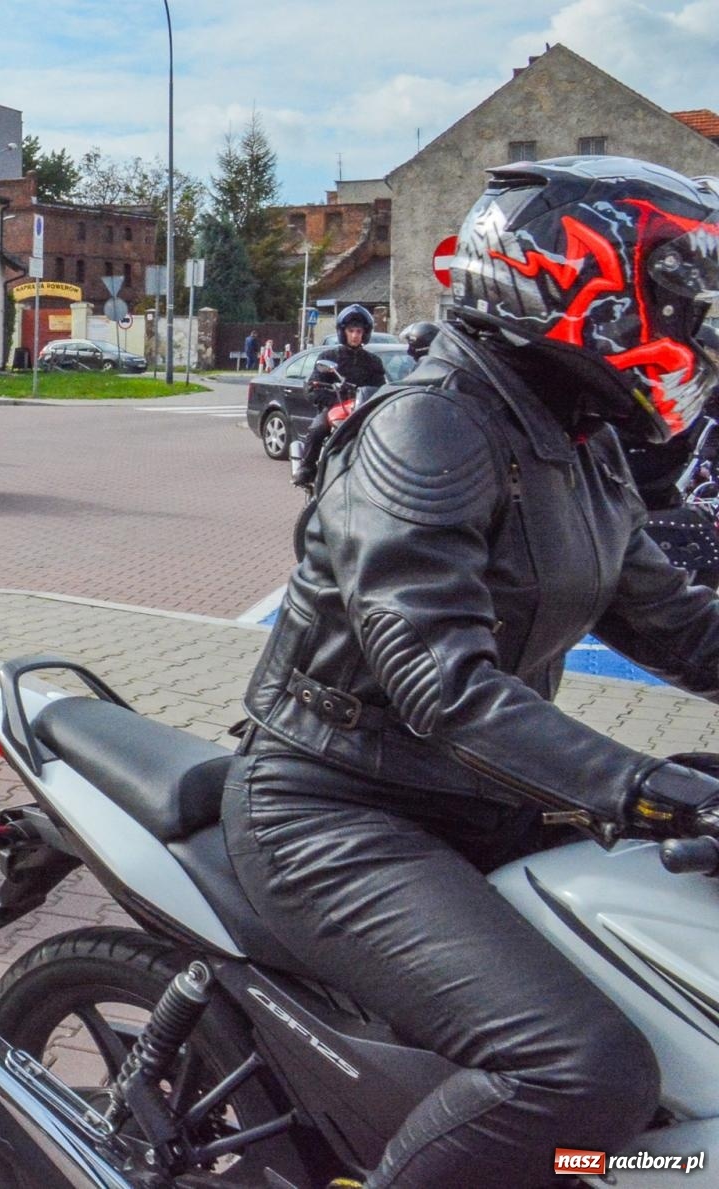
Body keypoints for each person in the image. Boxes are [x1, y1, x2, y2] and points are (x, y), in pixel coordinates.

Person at [229, 157, 719, 1188]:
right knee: (580, 1071)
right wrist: (637, 786)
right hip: (339, 810)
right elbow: (436, 678)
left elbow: (676, 624)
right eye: (674, 295)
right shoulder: (429, 427)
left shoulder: (574, 438)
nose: (693, 326)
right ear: (575, 280)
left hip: (483, 798)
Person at [290, 304, 389, 487]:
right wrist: (335, 397)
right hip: (336, 409)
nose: (355, 335)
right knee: (317, 429)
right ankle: (307, 468)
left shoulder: (373, 361)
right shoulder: (329, 356)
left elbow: (381, 389)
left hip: (363, 409)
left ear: (364, 333)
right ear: (343, 332)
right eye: (351, 331)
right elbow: (313, 387)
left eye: (359, 331)